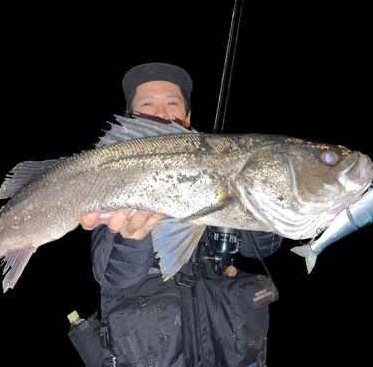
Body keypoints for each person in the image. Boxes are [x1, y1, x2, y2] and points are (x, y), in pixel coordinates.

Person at [69, 63, 282, 367]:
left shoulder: (217, 171)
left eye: (172, 102)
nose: (161, 112)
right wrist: (133, 237)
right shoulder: (111, 179)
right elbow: (112, 275)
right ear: (130, 120)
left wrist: (259, 198)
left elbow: (261, 248)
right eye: (147, 104)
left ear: (187, 117)